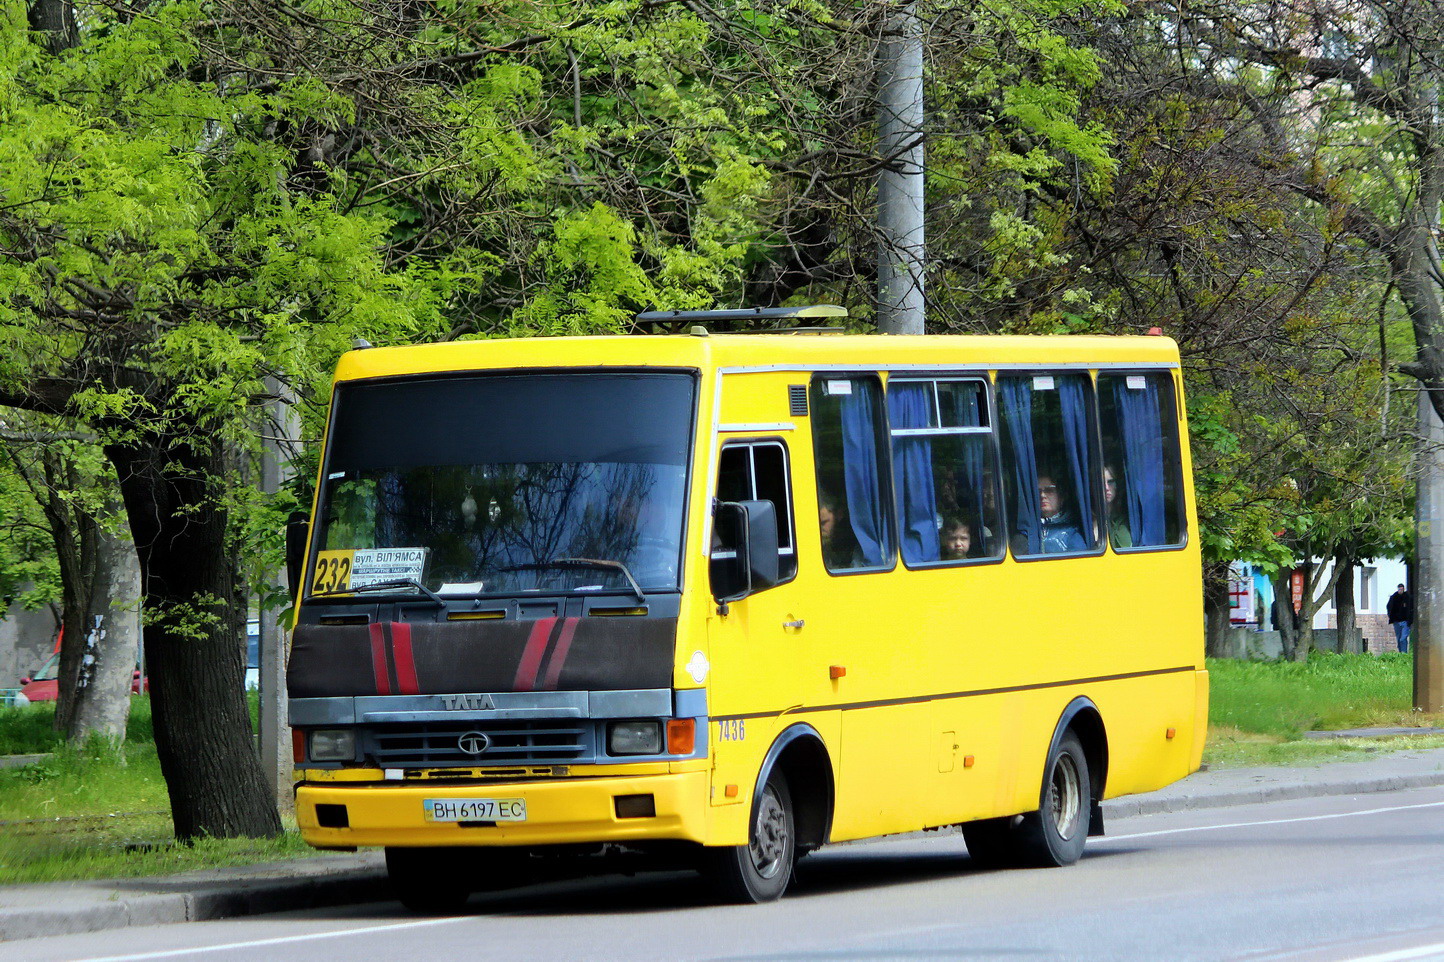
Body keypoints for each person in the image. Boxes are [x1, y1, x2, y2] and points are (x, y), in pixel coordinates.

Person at [1038, 474, 1087, 554]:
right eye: (1038, 491)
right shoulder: (1028, 531)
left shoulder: (1072, 533)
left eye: (1049, 490)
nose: (1042, 495)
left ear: (1061, 497)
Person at [1103, 464, 1132, 549]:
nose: (1106, 488)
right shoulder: (1087, 521)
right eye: (1101, 482)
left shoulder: (1124, 519)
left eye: (1110, 482)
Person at [1387, 583, 1413, 654]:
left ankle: (1404, 653)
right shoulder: (1393, 598)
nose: (1400, 590)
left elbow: (1411, 609)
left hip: (1405, 622)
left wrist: (1410, 620)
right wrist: (1390, 616)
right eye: (1399, 589)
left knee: (1403, 638)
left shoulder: (1408, 598)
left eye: (1402, 589)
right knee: (1399, 638)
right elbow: (1389, 607)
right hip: (1396, 622)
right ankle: (1401, 653)